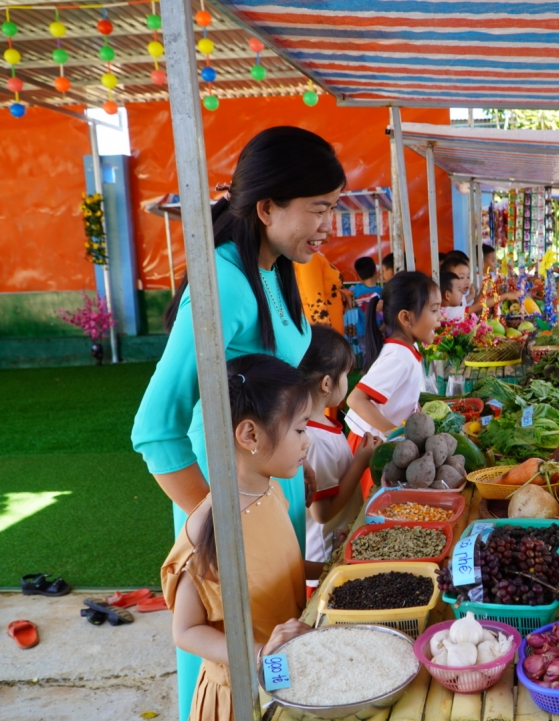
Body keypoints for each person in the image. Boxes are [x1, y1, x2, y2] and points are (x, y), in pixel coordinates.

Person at [131, 126, 344, 720]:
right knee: (232, 677)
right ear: (268, 206)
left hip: (270, 497)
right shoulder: (225, 280)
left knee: (280, 654)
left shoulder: (274, 267)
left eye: (333, 207)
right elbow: (155, 428)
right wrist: (219, 526)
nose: (328, 224)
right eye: (318, 209)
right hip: (233, 508)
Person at [162, 354, 313, 721]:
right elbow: (186, 630)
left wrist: (333, 567)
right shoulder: (211, 528)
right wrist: (260, 652)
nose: (307, 442)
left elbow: (277, 564)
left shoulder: (270, 490)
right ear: (250, 435)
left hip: (286, 675)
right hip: (240, 698)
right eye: (299, 429)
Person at [345, 271, 441, 497]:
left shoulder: (408, 349)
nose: (440, 317)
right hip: (370, 446)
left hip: (377, 442)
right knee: (371, 508)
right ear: (406, 318)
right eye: (434, 310)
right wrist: (395, 433)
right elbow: (356, 399)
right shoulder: (399, 356)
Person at [298, 326, 380, 583]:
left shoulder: (321, 426)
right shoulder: (315, 441)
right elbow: (322, 513)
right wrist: (360, 462)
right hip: (323, 562)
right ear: (326, 383)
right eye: (345, 374)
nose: (348, 380)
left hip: (338, 542)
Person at [295, 250, 347, 333]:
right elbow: (316, 306)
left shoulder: (315, 257)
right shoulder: (310, 259)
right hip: (325, 335)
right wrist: (326, 340)